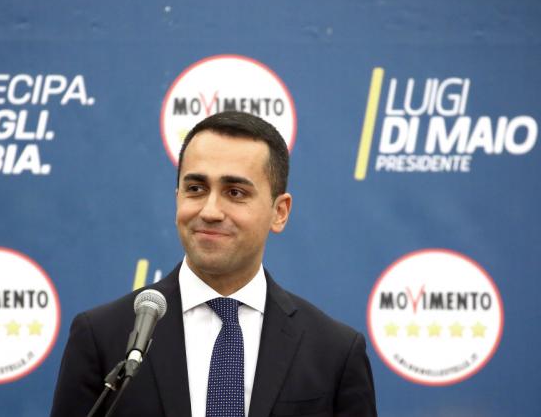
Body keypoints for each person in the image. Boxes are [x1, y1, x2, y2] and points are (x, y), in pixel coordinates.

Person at [50, 111, 377, 417]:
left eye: (235, 192)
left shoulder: (334, 351)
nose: (209, 211)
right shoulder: (102, 336)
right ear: (177, 197)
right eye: (195, 189)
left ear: (279, 212)